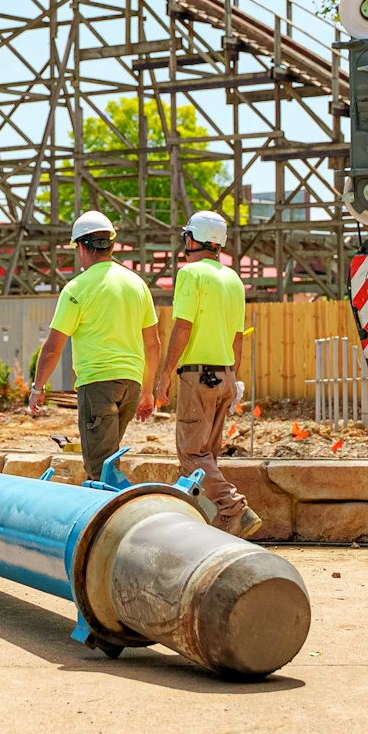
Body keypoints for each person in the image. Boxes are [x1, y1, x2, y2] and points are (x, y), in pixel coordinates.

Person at [152, 210, 261, 537]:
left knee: (193, 455)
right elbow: (237, 336)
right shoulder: (234, 279)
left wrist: (165, 374)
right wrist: (234, 378)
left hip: (198, 378)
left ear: (191, 239)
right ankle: (216, 527)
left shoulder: (190, 274)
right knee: (207, 456)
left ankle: (235, 508)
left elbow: (183, 326)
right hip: (225, 377)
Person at [31, 211, 159, 481]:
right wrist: (148, 391)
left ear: (80, 247)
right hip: (131, 386)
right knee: (108, 461)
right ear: (111, 245)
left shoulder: (77, 288)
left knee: (100, 470)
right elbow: (153, 344)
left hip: (98, 385)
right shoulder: (137, 284)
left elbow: (53, 347)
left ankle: (122, 518)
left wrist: (38, 388)